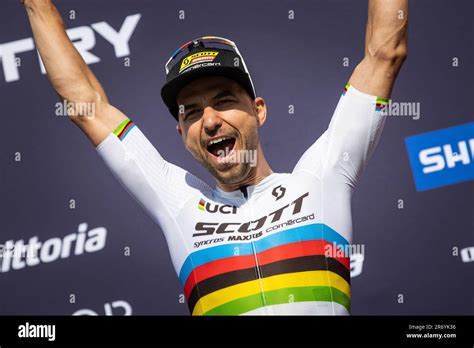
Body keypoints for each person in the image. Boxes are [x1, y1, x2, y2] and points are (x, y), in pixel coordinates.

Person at [22, 0, 408, 315]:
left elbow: (384, 54)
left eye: (224, 101)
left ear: (259, 110)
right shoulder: (178, 199)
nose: (209, 121)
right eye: (190, 111)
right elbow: (85, 105)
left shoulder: (321, 177)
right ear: (180, 132)